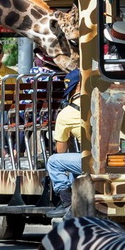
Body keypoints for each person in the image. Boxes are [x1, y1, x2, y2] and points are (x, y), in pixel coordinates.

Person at [46, 68, 82, 217]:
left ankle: (67, 203)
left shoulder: (66, 113)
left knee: (54, 161)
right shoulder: (110, 101)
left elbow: (61, 151)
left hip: (92, 160)